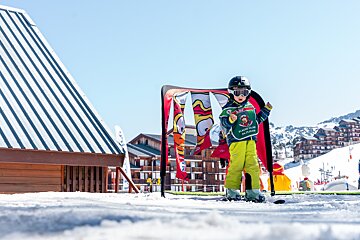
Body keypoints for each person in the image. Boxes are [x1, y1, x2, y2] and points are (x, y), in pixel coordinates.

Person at [220, 76, 272, 202]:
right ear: (232, 93)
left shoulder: (250, 107)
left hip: (250, 141)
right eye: (237, 92)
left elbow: (256, 121)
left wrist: (265, 111)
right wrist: (230, 120)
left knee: (253, 166)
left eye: (244, 92)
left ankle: (253, 192)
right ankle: (232, 192)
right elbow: (224, 124)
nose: (241, 95)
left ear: (248, 93)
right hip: (237, 142)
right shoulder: (228, 108)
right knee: (236, 165)